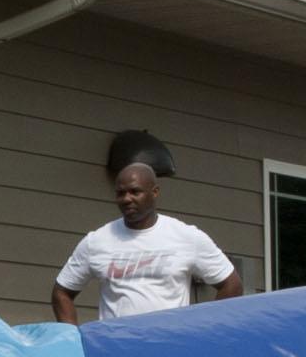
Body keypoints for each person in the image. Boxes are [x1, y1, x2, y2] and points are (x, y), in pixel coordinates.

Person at [50, 131, 239, 321]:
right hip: (117, 347)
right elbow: (61, 293)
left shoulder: (186, 237)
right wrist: (72, 342)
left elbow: (231, 284)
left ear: (154, 192)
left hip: (169, 346)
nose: (127, 199)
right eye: (120, 193)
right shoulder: (97, 241)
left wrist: (205, 329)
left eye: (135, 192)